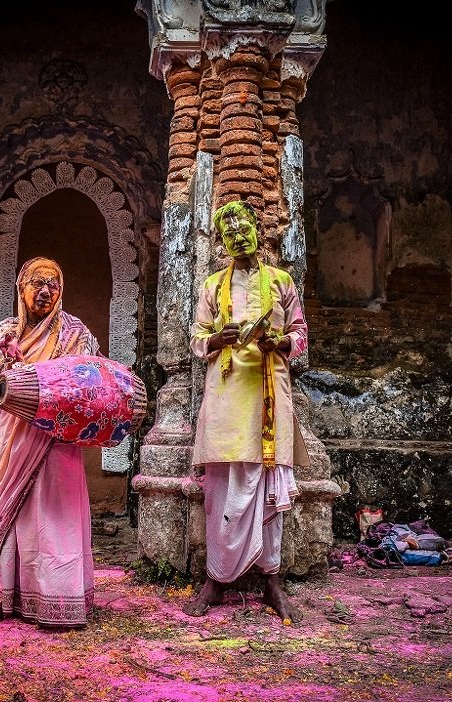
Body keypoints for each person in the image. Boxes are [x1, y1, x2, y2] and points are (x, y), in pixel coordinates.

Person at [183, 200, 308, 624]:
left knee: (269, 481)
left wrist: (281, 342)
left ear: (258, 228)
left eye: (244, 225)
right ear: (221, 241)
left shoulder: (282, 281)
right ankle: (216, 580)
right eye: (228, 230)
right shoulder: (212, 286)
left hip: (271, 392)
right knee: (222, 487)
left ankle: (273, 581)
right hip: (226, 395)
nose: (238, 234)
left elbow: (301, 333)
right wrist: (219, 338)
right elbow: (196, 338)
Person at [0, 257, 99, 628]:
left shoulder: (76, 332)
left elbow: (91, 378)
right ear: (21, 288)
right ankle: (11, 598)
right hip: (17, 435)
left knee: (58, 517)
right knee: (19, 515)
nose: (45, 291)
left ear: (61, 292)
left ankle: (64, 599)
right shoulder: (5, 331)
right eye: (37, 283)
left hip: (58, 439)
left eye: (53, 285)